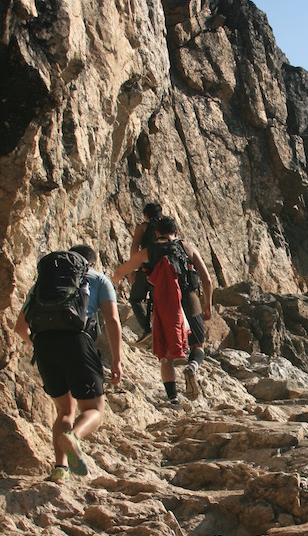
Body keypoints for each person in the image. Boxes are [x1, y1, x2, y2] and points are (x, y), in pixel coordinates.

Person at [15, 244, 123, 483]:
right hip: (77, 343)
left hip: (43, 344)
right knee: (93, 409)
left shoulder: (43, 284)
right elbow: (112, 320)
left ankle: (60, 468)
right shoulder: (98, 279)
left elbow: (20, 327)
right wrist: (116, 360)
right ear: (91, 263)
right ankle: (73, 437)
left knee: (64, 410)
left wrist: (42, 345)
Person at [113, 216, 212, 404]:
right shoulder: (187, 247)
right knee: (197, 345)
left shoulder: (148, 252)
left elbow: (123, 269)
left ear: (157, 233)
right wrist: (207, 304)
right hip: (189, 300)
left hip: (164, 303)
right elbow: (206, 279)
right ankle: (192, 366)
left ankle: (173, 398)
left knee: (165, 356)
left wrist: (115, 280)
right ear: (176, 233)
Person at [128, 202, 162, 345]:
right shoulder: (165, 227)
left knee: (135, 299)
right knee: (159, 303)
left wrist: (131, 270)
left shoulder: (143, 227)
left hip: (145, 269)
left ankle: (147, 329)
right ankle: (161, 336)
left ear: (146, 215)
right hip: (162, 270)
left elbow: (134, 248)